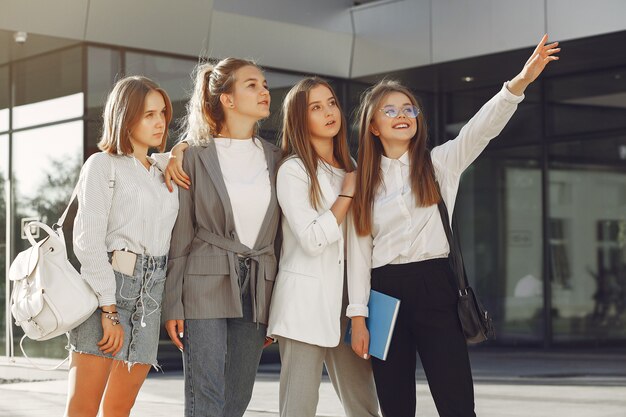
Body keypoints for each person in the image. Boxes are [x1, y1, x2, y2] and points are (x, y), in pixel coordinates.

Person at [347, 34, 560, 417]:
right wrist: (358, 318)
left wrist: (521, 82)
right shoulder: (360, 181)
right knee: (395, 406)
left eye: (408, 109)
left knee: (457, 403)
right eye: (390, 110)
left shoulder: (439, 164)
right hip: (383, 293)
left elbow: (481, 128)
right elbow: (359, 255)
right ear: (373, 126)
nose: (402, 116)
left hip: (435, 287)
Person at [160, 58, 282, 417]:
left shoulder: (279, 158)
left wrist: (279, 302)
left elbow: (281, 240)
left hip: (259, 285)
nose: (264, 91)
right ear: (227, 99)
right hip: (203, 283)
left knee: (237, 399)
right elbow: (180, 236)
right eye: (252, 85)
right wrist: (173, 303)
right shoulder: (193, 157)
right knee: (207, 397)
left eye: (263, 83)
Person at [266, 77, 380, 417]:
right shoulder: (293, 171)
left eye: (331, 103)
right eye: (316, 107)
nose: (329, 112)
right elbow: (313, 239)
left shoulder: (354, 168)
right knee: (298, 409)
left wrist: (360, 308)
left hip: (351, 305)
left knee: (364, 407)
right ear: (301, 119)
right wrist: (346, 194)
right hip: (305, 304)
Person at [65, 76, 178, 417]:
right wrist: (108, 310)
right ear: (125, 117)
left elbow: (198, 146)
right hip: (109, 291)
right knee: (83, 408)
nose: (159, 122)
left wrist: (180, 152)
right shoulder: (103, 165)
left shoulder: (163, 170)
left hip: (150, 297)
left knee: (120, 408)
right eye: (148, 114)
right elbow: (87, 241)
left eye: (162, 113)